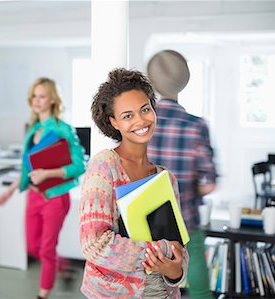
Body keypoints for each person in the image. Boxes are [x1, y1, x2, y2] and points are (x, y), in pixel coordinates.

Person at [79, 68, 189, 299]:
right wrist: (163, 252)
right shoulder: (104, 166)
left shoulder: (166, 178)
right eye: (127, 115)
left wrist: (175, 271)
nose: (140, 120)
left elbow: (180, 249)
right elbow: (95, 244)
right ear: (113, 122)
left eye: (145, 109)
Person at [0, 77, 86, 299]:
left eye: (42, 96)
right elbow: (27, 166)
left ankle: (42, 295)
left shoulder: (63, 129)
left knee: (46, 249)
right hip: (34, 197)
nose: (36, 101)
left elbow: (79, 165)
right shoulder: (32, 129)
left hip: (55, 197)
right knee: (32, 247)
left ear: (52, 99)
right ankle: (64, 268)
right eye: (34, 96)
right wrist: (10, 190)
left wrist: (48, 173)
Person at [147, 49, 217, 299]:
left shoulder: (142, 124)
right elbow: (209, 184)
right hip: (185, 220)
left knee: (151, 288)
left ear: (150, 82)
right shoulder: (196, 125)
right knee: (199, 287)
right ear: (185, 81)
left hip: (146, 224)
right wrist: (187, 190)